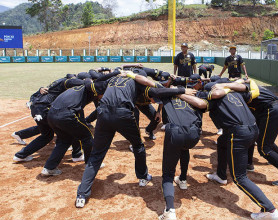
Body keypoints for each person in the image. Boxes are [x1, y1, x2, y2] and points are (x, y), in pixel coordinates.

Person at [75, 70, 196, 208]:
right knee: (138, 146)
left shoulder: (113, 80)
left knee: (96, 155)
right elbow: (157, 93)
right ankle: (142, 177)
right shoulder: (137, 82)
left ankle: (81, 195)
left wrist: (113, 73)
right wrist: (181, 91)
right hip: (123, 114)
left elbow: (93, 85)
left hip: (103, 114)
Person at [181, 80, 278, 220]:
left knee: (239, 177)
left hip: (238, 133)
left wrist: (180, 94)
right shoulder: (235, 93)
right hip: (253, 129)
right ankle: (221, 175)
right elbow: (248, 91)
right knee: (222, 141)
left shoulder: (214, 97)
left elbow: (201, 104)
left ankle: (269, 209)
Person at [209, 80, 278, 188]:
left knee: (264, 148)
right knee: (256, 135)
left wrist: (224, 86)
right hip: (266, 111)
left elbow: (243, 86)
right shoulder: (237, 89)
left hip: (272, 110)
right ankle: (251, 164)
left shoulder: (238, 88)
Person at [41, 71, 119, 176]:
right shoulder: (89, 89)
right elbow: (98, 82)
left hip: (51, 115)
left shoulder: (80, 88)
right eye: (104, 94)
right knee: (87, 136)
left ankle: (49, 168)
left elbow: (100, 80)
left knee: (64, 141)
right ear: (98, 92)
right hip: (65, 115)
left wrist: (117, 72)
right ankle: (90, 163)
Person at [157, 74, 204, 220]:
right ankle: (183, 179)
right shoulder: (193, 95)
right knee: (184, 149)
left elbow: (154, 93)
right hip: (194, 134)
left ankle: (169, 210)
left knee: (168, 174)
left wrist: (173, 90)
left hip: (175, 133)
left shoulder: (167, 95)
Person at [13, 74, 85, 163]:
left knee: (46, 135)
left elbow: (38, 94)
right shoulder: (66, 82)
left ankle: (20, 155)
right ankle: (77, 154)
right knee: (71, 129)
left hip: (37, 109)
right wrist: (90, 82)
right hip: (45, 110)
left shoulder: (56, 82)